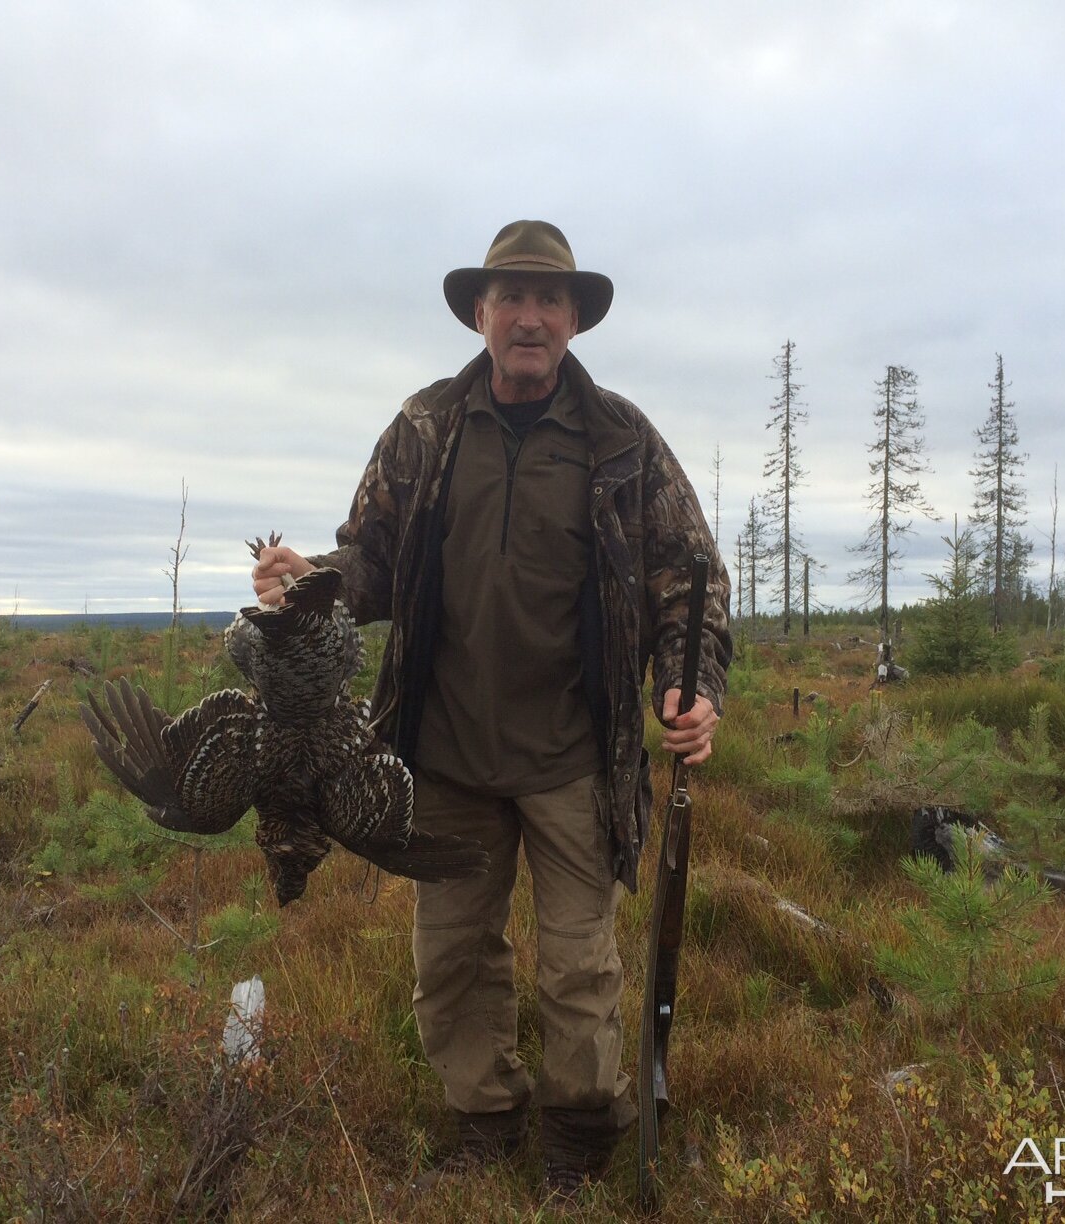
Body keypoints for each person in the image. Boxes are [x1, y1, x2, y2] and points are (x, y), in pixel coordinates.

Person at [252, 220, 731, 1199]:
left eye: (548, 299)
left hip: (572, 758)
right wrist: (316, 580)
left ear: (573, 321)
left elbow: (689, 578)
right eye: (510, 296)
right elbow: (373, 558)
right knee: (454, 957)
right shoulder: (426, 428)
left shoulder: (622, 440)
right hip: (446, 755)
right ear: (480, 313)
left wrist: (692, 687)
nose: (528, 315)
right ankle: (482, 1118)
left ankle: (576, 1135)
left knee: (578, 967)